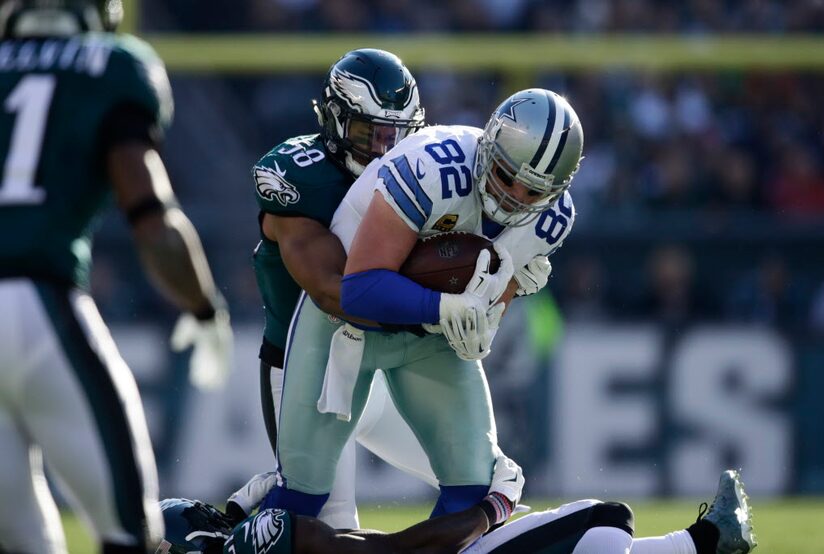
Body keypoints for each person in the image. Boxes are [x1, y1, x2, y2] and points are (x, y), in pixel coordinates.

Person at [262, 88, 576, 519]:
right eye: (506, 177)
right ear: (488, 148)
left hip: (429, 339)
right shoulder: (433, 167)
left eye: (534, 193)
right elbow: (359, 288)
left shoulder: (552, 218)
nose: (515, 199)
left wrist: (488, 318)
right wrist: (446, 308)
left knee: (475, 489)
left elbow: (499, 285)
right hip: (344, 327)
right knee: (301, 502)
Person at [0, 1, 232, 552]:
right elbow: (153, 221)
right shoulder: (113, 64)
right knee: (131, 532)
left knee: (19, 538)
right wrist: (203, 307)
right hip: (40, 306)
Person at [251, 47, 454, 528]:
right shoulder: (299, 177)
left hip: (390, 367)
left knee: (483, 481)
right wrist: (439, 309)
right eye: (370, 134)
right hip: (308, 373)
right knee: (328, 527)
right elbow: (333, 290)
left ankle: (257, 496)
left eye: (397, 136)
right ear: (334, 120)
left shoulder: (423, 174)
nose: (385, 150)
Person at [157, 468, 757, 554]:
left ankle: (708, 539)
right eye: (207, 515)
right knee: (606, 523)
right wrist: (492, 507)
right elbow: (397, 551)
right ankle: (709, 542)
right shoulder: (264, 537)